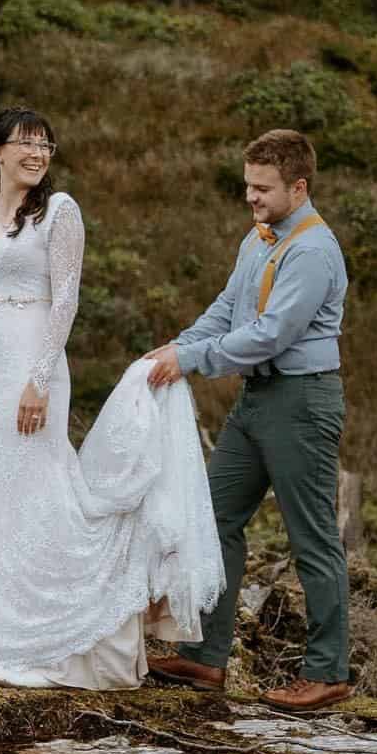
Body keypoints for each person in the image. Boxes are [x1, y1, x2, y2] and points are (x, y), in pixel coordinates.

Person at [0, 107, 223, 689]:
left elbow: (65, 300)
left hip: (32, 365)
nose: (38, 154)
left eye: (46, 145)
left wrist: (39, 378)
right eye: (26, 144)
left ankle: (60, 634)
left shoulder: (60, 212)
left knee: (39, 491)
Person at [145, 128, 352, 713]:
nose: (251, 198)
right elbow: (226, 310)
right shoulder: (258, 238)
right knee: (213, 518)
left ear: (298, 186)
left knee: (311, 536)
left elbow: (268, 337)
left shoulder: (313, 251)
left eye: (262, 188)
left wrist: (190, 361)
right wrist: (177, 346)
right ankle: (205, 656)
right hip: (257, 403)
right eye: (247, 186)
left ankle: (327, 671)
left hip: (301, 403)